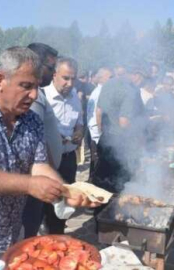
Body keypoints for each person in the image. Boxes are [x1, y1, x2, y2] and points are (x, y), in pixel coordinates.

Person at [0, 47, 98, 270]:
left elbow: (39, 164)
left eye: (36, 87)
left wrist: (64, 191)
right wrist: (30, 185)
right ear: (0, 80)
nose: (34, 95)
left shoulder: (31, 120)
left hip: (13, 231)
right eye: (26, 86)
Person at [21, 42, 63, 238]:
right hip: (35, 177)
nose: (54, 72)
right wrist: (54, 176)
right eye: (50, 67)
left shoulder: (39, 93)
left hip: (39, 174)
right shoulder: (34, 96)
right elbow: (35, 139)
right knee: (29, 228)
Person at [93, 64, 147, 199]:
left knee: (103, 181)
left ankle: (99, 215)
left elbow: (98, 112)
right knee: (120, 185)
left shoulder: (107, 84)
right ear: (135, 75)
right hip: (122, 145)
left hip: (106, 140)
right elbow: (124, 122)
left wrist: (102, 135)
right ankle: (115, 214)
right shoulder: (131, 90)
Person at [44, 57, 84, 234]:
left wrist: (79, 131)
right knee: (47, 203)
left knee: (66, 199)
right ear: (54, 75)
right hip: (48, 161)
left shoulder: (74, 95)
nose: (70, 83)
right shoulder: (42, 96)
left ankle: (59, 234)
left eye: (73, 78)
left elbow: (79, 121)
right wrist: (53, 137)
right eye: (65, 78)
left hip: (68, 158)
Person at [86, 67, 113, 181]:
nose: (113, 80)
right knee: (97, 166)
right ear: (102, 78)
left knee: (95, 165)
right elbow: (98, 113)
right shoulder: (101, 92)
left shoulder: (100, 90)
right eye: (110, 77)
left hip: (94, 133)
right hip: (96, 134)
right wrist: (102, 134)